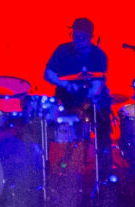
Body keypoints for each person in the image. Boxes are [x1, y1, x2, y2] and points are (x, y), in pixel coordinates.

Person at [44, 17, 116, 171]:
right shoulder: (62, 50)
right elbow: (48, 73)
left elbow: (96, 86)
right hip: (66, 100)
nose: (77, 40)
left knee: (103, 128)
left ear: (90, 37)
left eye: (82, 37)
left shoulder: (99, 56)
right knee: (47, 120)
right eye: (75, 36)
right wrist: (64, 84)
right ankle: (50, 165)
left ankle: (104, 172)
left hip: (92, 102)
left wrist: (83, 106)